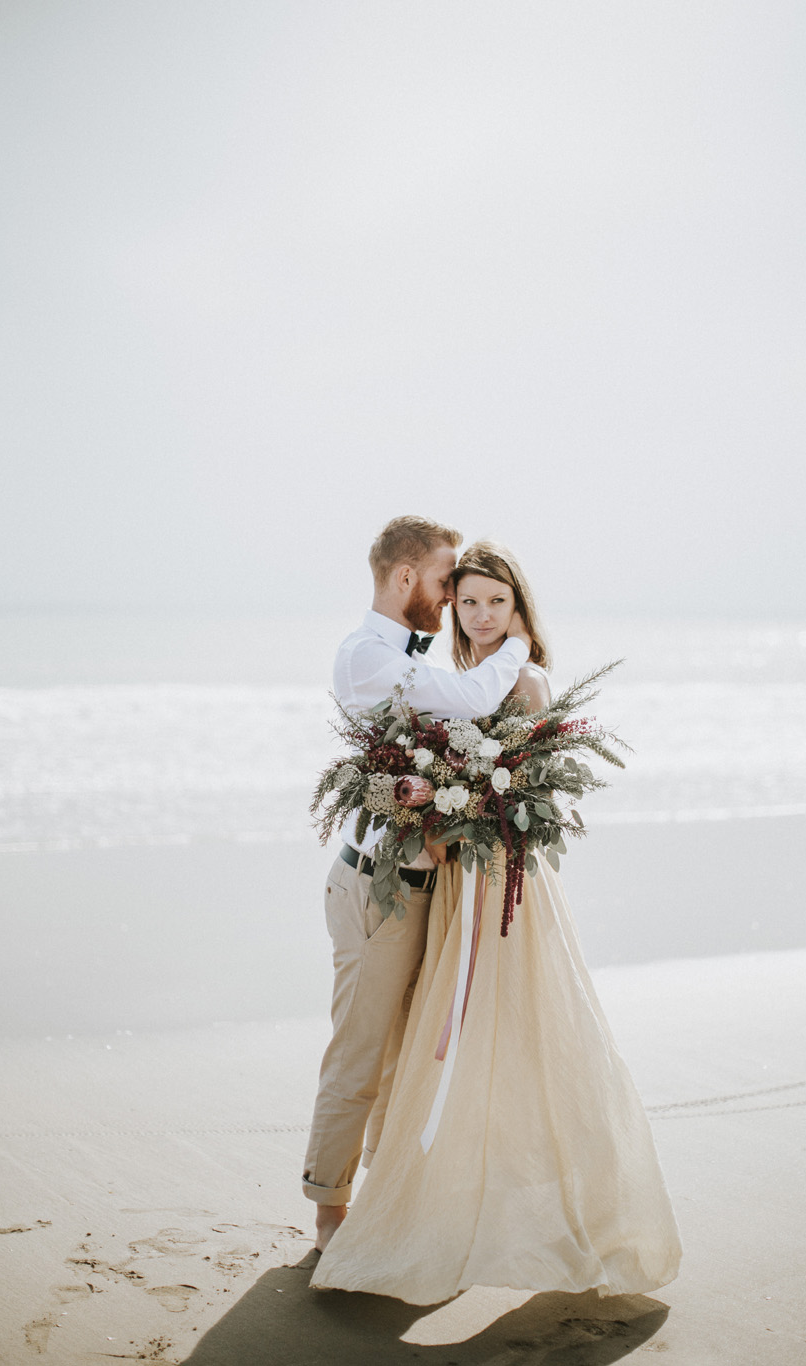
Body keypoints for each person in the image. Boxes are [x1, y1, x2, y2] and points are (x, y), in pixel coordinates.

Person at [311, 540, 682, 1303]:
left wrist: (461, 807)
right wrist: (424, 798)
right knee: (392, 1049)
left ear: (519, 610)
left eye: (494, 602)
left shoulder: (521, 678)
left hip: (491, 885)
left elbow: (534, 795)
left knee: (500, 1039)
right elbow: (394, 773)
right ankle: (342, 1209)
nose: (475, 613)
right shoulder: (414, 669)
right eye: (465, 598)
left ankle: (497, 1209)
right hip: (425, 888)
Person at [304, 518, 533, 1254]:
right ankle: (328, 1212)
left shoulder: (410, 655)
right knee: (362, 1053)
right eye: (444, 583)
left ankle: (386, 1199)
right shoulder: (366, 656)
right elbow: (465, 704)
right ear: (406, 579)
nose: (451, 598)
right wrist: (520, 643)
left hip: (426, 884)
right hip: (375, 887)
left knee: (407, 1055)